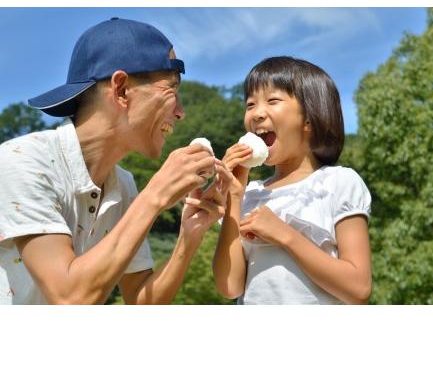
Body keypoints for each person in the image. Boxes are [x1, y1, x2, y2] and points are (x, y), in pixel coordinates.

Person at [0, 17, 231, 305]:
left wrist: (189, 236)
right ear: (121, 89)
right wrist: (155, 195)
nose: (181, 112)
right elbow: (69, 299)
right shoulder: (22, 161)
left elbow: (142, 303)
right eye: (171, 89)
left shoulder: (122, 184)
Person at [213, 56, 372, 305]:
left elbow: (358, 288)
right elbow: (229, 286)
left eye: (272, 100)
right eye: (250, 104)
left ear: (309, 118)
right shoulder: (249, 195)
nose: (256, 114)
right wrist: (234, 195)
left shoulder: (338, 182)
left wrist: (284, 234)